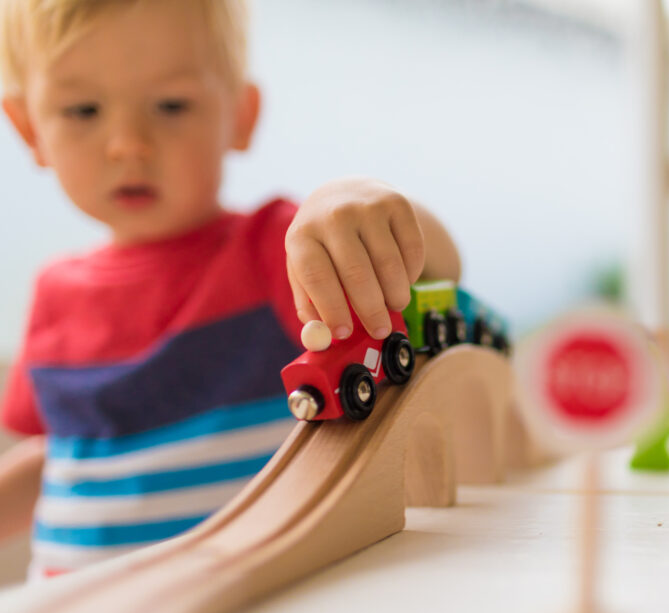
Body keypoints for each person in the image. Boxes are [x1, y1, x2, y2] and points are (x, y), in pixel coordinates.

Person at [0, 0, 461, 578]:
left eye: (171, 105)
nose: (127, 143)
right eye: (82, 109)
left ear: (240, 116)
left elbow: (433, 273)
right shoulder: (52, 292)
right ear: (28, 130)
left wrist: (359, 207)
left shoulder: (278, 248)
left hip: (229, 608)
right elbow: (63, 458)